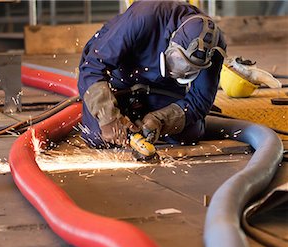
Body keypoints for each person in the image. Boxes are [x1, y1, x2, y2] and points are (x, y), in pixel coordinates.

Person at [78, 0, 226, 149]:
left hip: (163, 85)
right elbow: (93, 67)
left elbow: (200, 100)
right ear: (173, 37)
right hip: (118, 76)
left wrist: (160, 120)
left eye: (189, 69)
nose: (178, 70)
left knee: (189, 134)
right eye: (177, 60)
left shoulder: (215, 49)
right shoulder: (143, 16)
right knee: (97, 136)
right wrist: (108, 118)